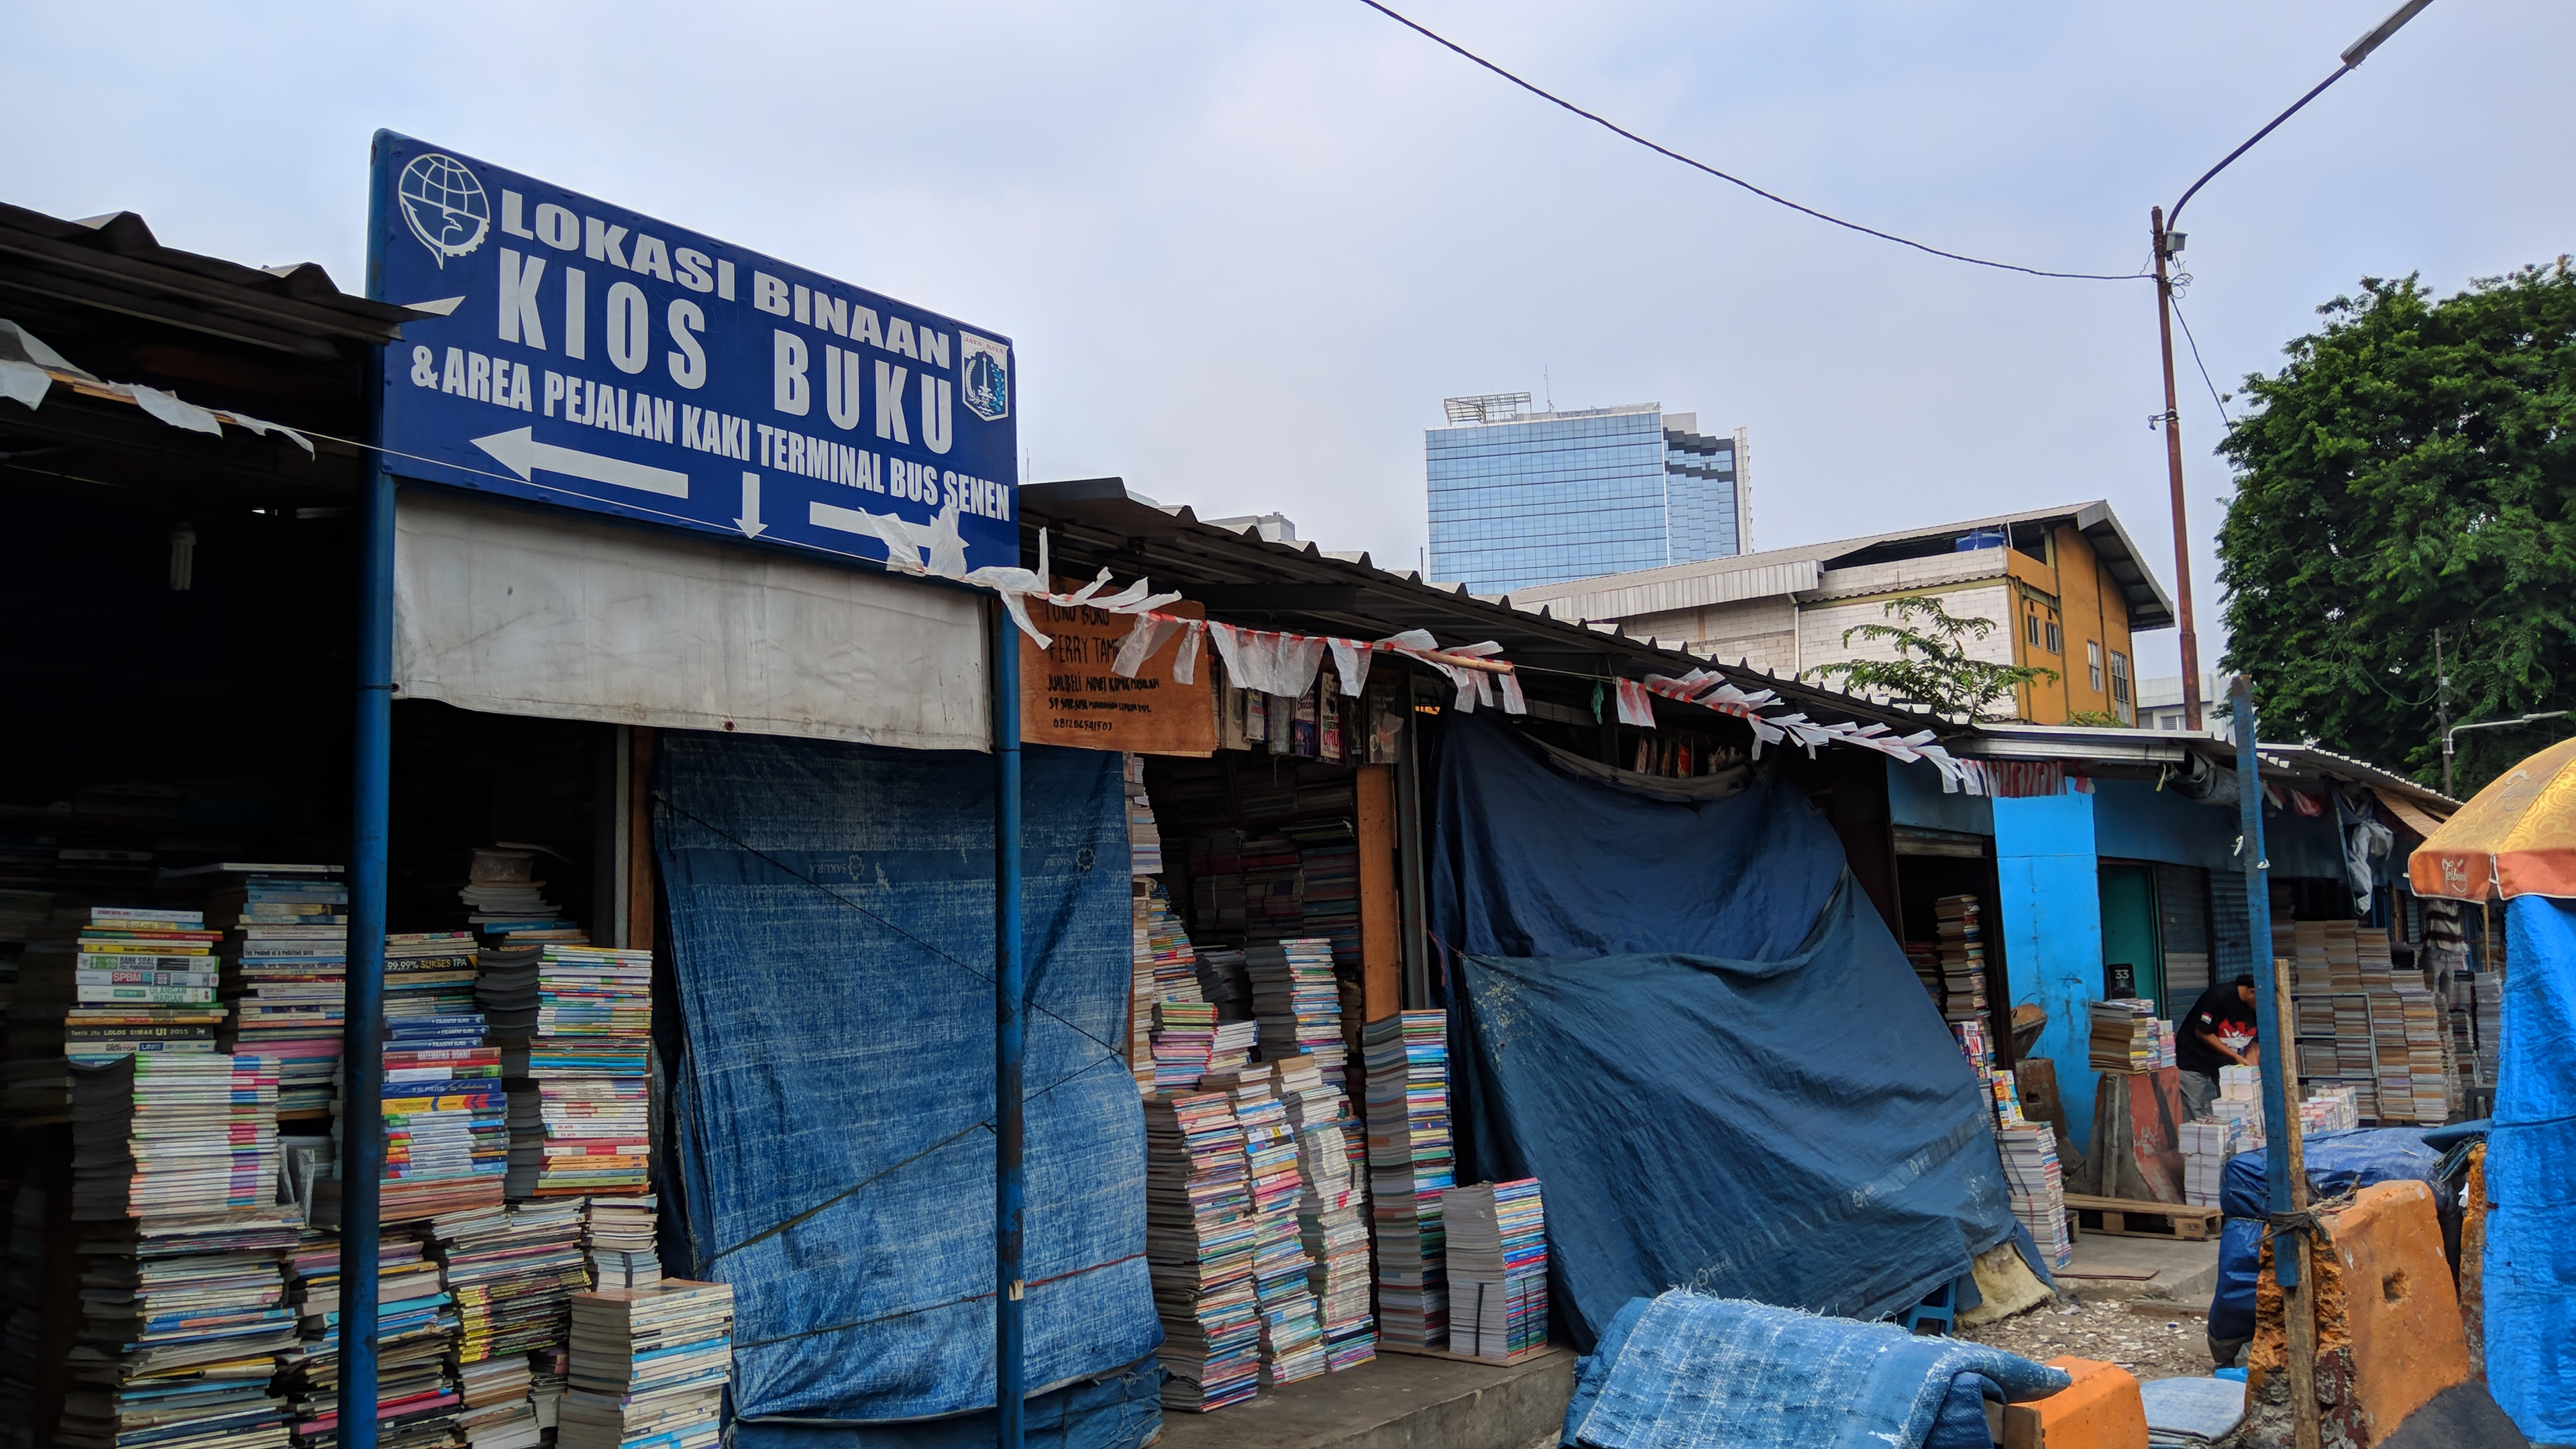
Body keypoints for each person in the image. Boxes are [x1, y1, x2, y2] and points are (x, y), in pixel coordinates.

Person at [2176, 974, 2260, 1120]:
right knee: (2193, 1109)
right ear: (2251, 991)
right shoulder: (2219, 997)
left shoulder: (2259, 1009)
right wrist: (2236, 1057)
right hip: (2194, 1057)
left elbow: (2255, 1042)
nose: (2263, 1005)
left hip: (2227, 1061)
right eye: (2261, 1001)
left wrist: (2249, 1071)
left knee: (2236, 1105)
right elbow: (2203, 1033)